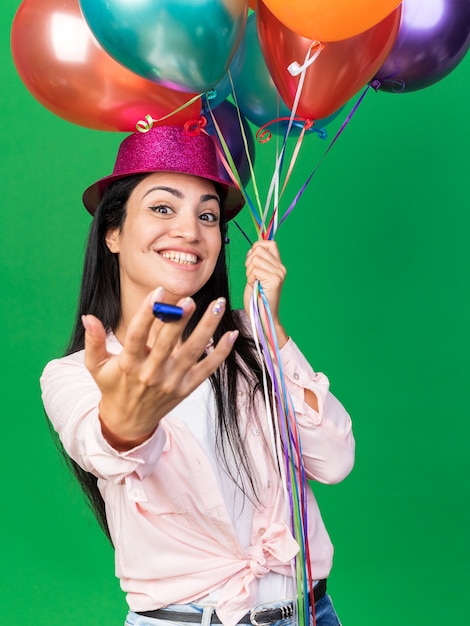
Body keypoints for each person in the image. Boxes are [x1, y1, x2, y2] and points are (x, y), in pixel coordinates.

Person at [40, 123, 355, 626]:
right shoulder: (74, 374)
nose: (189, 230)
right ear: (113, 232)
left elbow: (335, 460)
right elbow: (105, 445)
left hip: (311, 614)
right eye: (163, 208)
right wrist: (127, 420)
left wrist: (270, 332)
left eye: (207, 215)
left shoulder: (247, 341)